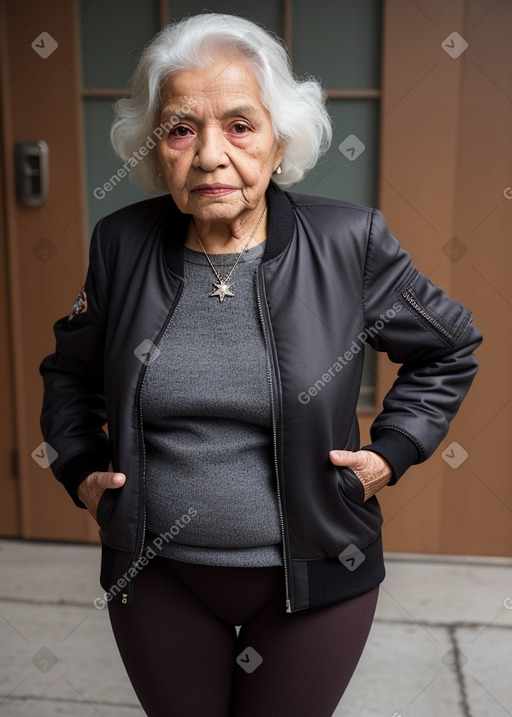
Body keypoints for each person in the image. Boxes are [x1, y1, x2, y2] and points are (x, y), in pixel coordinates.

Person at [39, 12, 482, 717]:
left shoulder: (348, 240)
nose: (211, 154)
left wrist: (392, 453)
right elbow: (68, 371)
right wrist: (78, 469)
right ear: (157, 152)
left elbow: (449, 346)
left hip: (316, 574)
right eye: (182, 129)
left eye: (240, 126)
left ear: (280, 141)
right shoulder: (120, 244)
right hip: (158, 575)